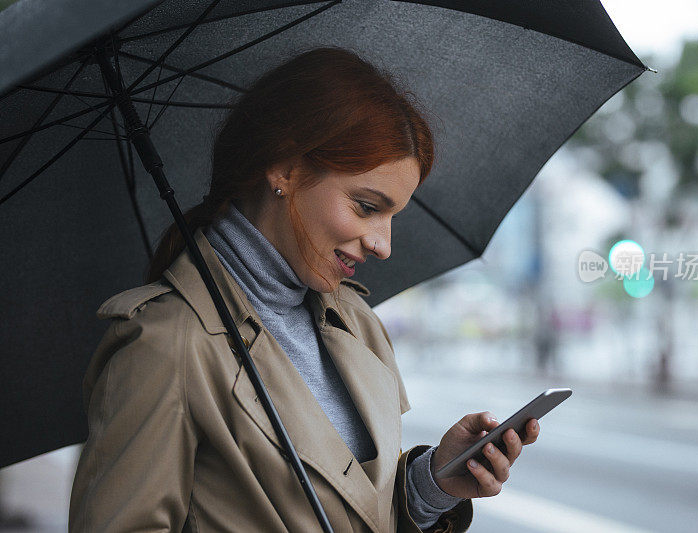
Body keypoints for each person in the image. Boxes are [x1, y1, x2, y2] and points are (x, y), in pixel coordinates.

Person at [68, 46, 540, 533]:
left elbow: (354, 512)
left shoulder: (356, 324)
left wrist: (432, 485)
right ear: (285, 169)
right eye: (365, 206)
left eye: (393, 216)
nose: (383, 245)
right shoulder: (165, 343)